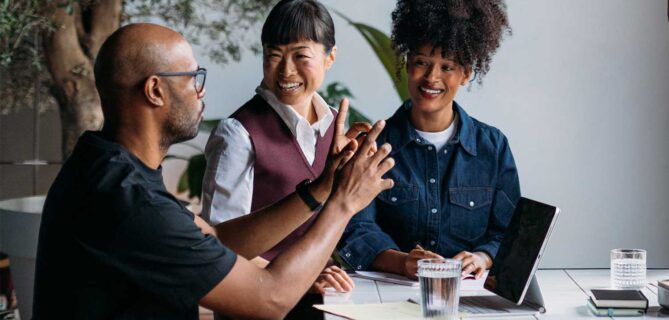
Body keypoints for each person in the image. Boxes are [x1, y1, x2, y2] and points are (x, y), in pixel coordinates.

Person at [32, 23, 394, 319]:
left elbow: (220, 240)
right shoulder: (130, 203)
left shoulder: (105, 164)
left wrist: (320, 190)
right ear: (155, 90)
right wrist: (343, 203)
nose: (201, 92)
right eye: (193, 78)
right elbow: (270, 300)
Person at [338, 0, 520, 280]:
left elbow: (508, 232)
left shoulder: (492, 148)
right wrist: (403, 263)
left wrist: (482, 257)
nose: (432, 77)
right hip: (388, 296)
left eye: (447, 67)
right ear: (408, 64)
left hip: (469, 298)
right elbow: (356, 228)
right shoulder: (374, 146)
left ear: (466, 73)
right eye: (422, 62)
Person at [201, 0, 368, 294]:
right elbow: (220, 246)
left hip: (320, 301)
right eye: (273, 55)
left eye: (301, 55)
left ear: (330, 58)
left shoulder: (335, 128)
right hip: (255, 299)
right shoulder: (237, 134)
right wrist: (302, 278)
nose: (286, 70)